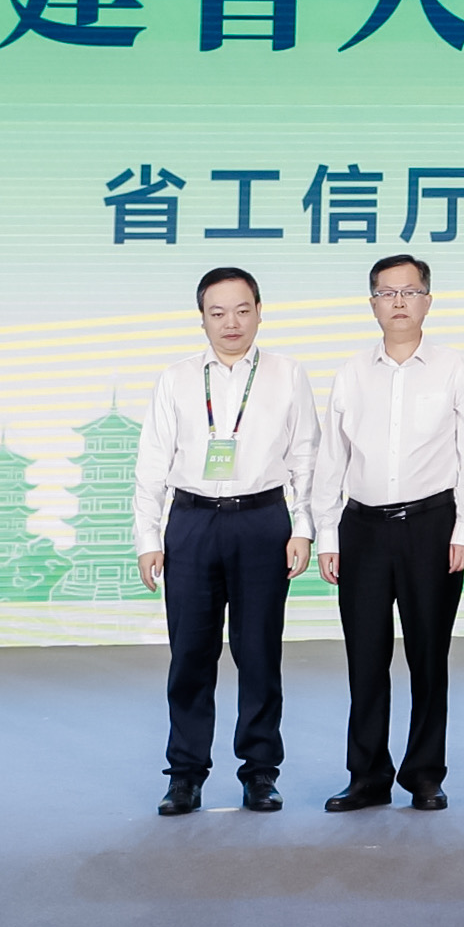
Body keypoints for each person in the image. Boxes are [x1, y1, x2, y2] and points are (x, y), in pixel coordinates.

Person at [135, 267, 318, 817]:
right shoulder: (177, 379)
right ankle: (185, 775)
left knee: (258, 652)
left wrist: (303, 527)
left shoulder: (287, 374)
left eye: (242, 310)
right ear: (202, 319)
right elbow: (152, 462)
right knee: (190, 654)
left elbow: (306, 456)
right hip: (192, 522)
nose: (231, 322)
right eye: (217, 312)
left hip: (262, 521)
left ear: (260, 312)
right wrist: (148, 536)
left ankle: (260, 773)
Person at [314, 254, 464, 813]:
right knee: (365, 659)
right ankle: (367, 776)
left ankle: (424, 775)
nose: (398, 302)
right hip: (362, 528)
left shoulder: (454, 367)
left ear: (427, 302)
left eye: (409, 292)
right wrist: (327, 534)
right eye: (387, 293)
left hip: (431, 527)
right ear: (372, 304)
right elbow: (331, 458)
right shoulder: (351, 372)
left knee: (428, 657)